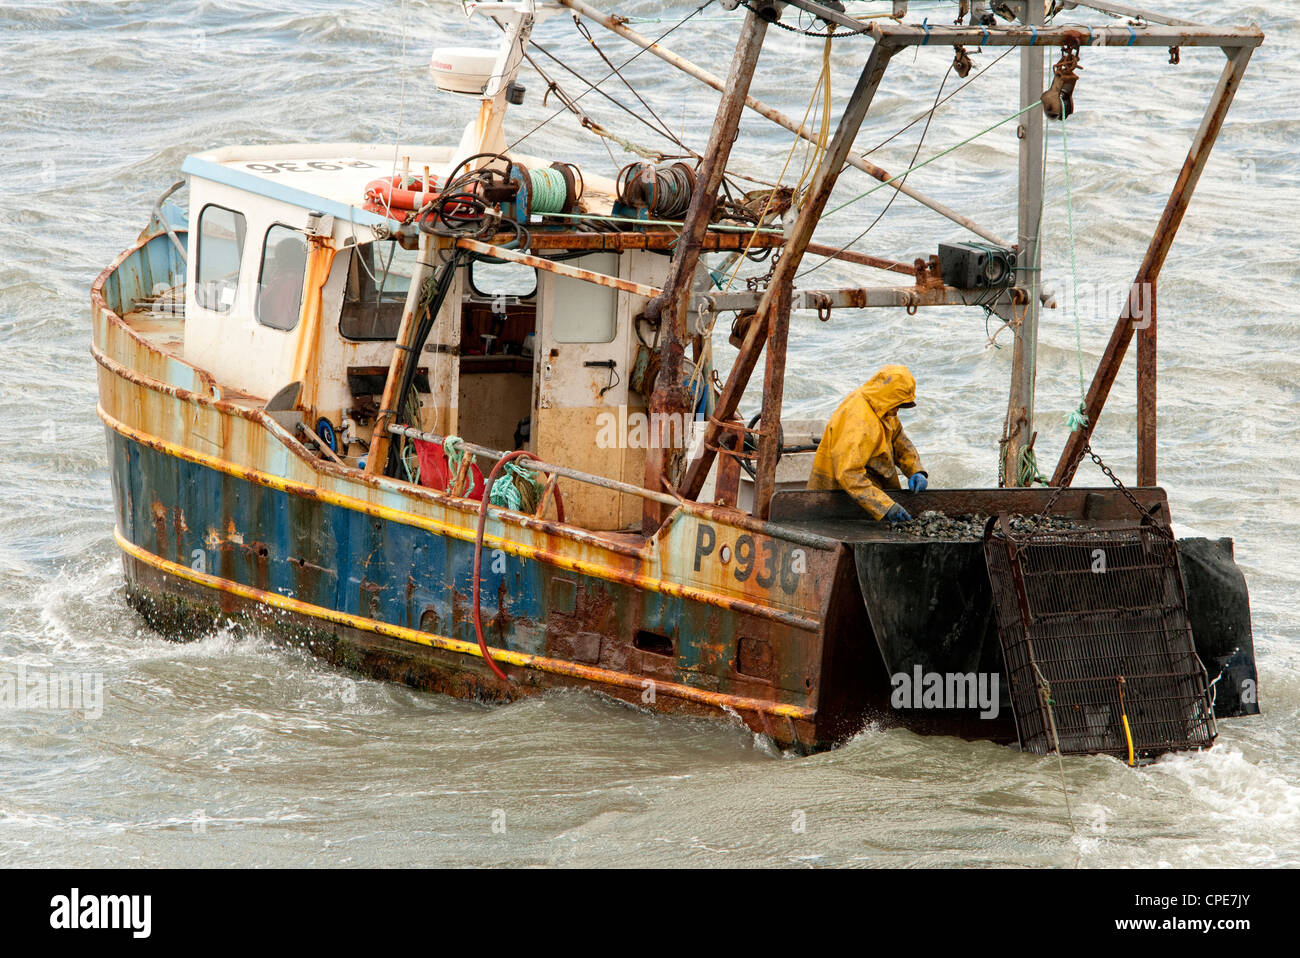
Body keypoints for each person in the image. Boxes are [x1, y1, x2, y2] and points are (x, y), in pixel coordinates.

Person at [807, 364, 928, 522]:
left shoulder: (883, 407)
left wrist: (916, 470)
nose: (897, 410)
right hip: (837, 498)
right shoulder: (857, 420)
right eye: (898, 405)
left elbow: (899, 439)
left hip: (870, 492)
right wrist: (884, 506)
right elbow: (848, 474)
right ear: (889, 397)